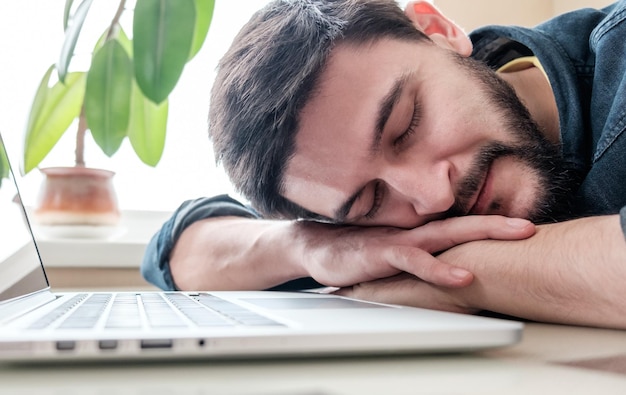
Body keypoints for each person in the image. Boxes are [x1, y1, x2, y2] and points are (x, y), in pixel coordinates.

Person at [141, 0, 626, 329]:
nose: (432, 196)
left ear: (437, 31)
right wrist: (309, 249)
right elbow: (172, 251)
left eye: (407, 125)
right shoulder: (385, 231)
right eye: (371, 200)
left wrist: (460, 276)